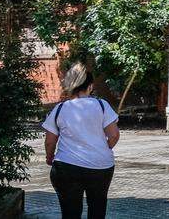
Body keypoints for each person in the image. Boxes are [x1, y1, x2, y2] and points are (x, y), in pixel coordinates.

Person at [43, 63, 120, 219]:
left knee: (70, 212)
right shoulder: (102, 105)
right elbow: (114, 135)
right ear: (90, 86)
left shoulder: (60, 109)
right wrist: (104, 148)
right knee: (97, 208)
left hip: (66, 167)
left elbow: (50, 141)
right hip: (100, 166)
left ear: (70, 85)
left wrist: (49, 157)